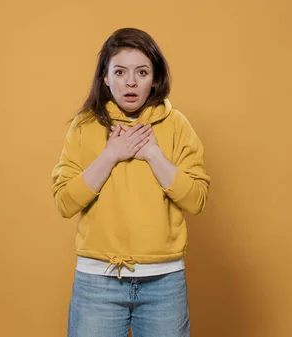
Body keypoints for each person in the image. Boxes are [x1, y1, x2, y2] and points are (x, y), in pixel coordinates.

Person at [51, 27, 210, 337]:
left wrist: (152, 154)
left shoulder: (177, 125)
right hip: (97, 281)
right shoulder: (83, 127)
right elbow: (65, 202)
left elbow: (196, 199)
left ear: (156, 79)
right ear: (106, 78)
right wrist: (111, 155)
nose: (131, 82)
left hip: (164, 282)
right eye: (120, 72)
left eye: (142, 72)